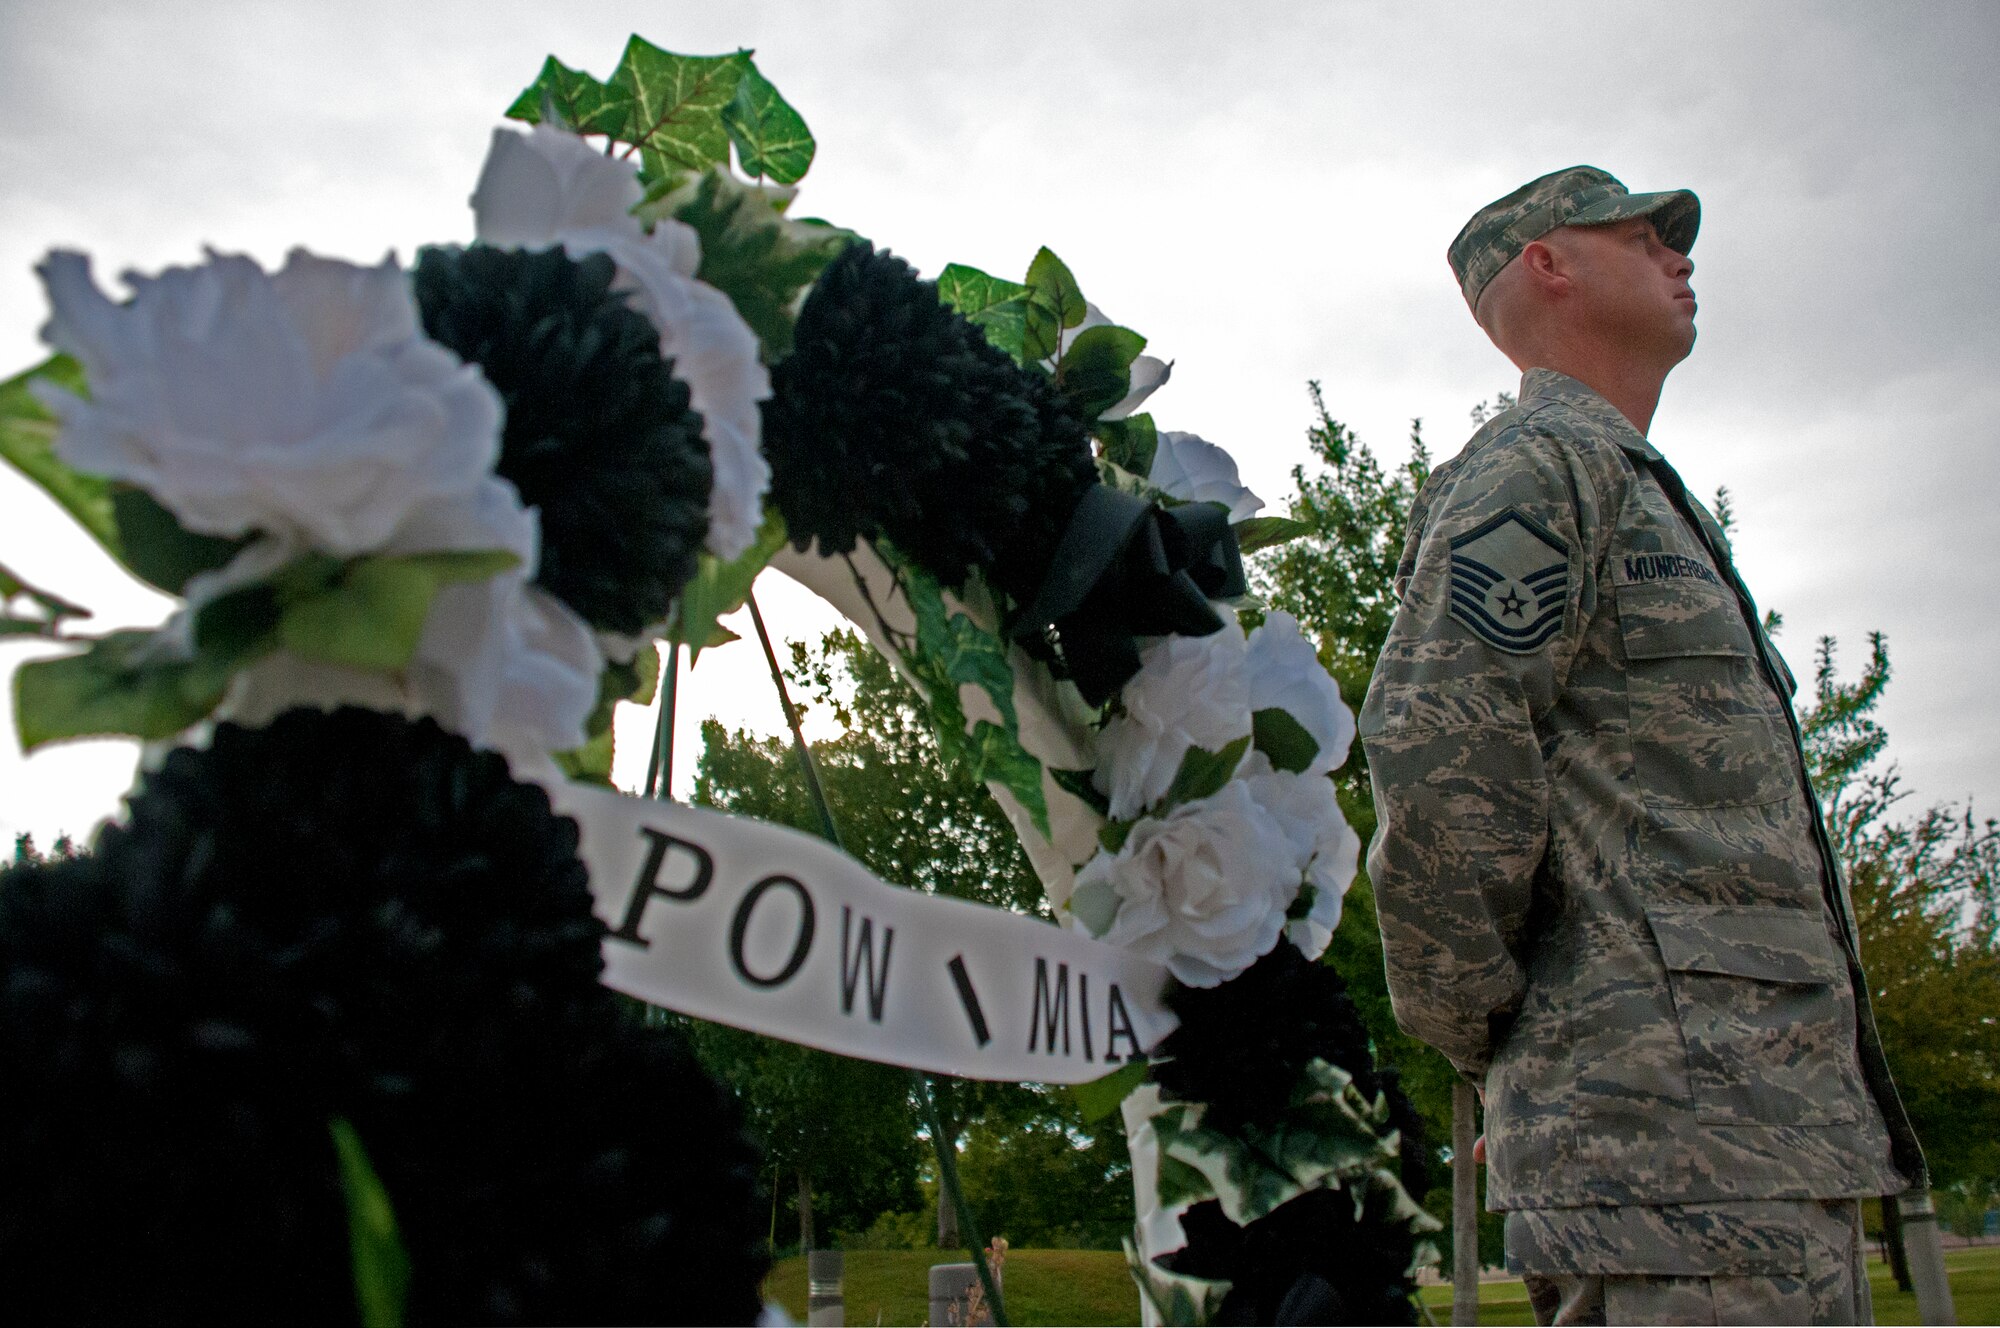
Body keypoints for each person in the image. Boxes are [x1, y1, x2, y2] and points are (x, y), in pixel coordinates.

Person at [1358, 165, 1926, 1325]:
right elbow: (1437, 759)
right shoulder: (1533, 472)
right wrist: (1509, 1034)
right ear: (1546, 263)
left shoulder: (1637, 488)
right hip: (1660, 1158)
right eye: (1641, 233)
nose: (1679, 253)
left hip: (1761, 1150)